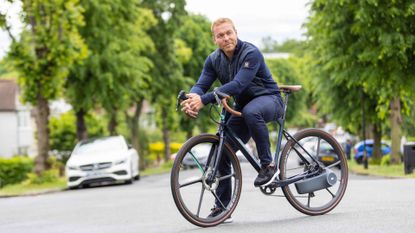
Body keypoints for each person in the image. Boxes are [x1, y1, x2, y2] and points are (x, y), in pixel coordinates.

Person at [180, 18, 284, 218]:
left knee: (252, 111)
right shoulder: (213, 60)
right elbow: (201, 85)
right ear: (214, 39)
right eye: (221, 35)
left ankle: (268, 166)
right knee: (222, 151)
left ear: (236, 32)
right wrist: (193, 98)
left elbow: (238, 85)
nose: (226, 38)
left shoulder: (250, 53)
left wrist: (205, 100)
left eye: (229, 33)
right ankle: (222, 206)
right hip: (243, 108)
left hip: (270, 100)